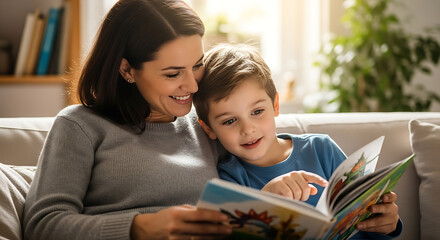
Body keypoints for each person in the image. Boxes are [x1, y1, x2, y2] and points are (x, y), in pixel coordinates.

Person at [23, 0, 233, 239]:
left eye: (198, 65)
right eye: (173, 73)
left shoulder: (208, 123)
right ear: (127, 70)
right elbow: (43, 224)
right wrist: (139, 227)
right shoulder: (80, 126)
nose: (193, 85)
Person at [192, 43, 402, 239]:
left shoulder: (321, 149)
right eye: (229, 121)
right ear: (209, 128)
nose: (248, 129)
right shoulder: (229, 178)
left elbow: (366, 217)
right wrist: (265, 199)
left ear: (275, 105)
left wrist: (388, 222)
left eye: (257, 111)